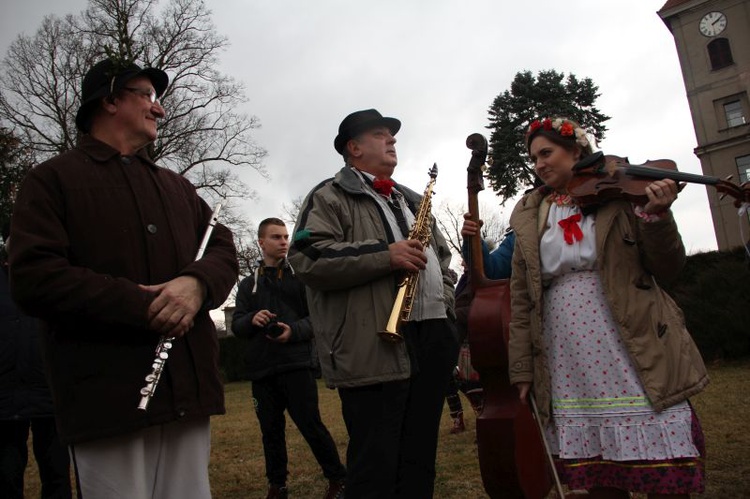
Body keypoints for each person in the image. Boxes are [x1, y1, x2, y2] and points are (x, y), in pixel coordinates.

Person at [8, 58, 238, 499]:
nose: (159, 110)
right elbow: (35, 277)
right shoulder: (50, 181)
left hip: (187, 390)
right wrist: (142, 304)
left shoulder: (178, 188)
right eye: (147, 97)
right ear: (110, 100)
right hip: (105, 398)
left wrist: (196, 284)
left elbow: (223, 250)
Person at [508, 117, 708, 498]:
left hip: (628, 335)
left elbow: (669, 267)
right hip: (567, 349)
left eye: (546, 153)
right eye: (533, 158)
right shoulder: (532, 213)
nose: (539, 165)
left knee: (663, 471)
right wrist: (522, 367)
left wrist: (658, 218)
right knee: (599, 477)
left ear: (577, 151)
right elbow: (522, 298)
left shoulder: (620, 194)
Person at [288, 109, 459, 498]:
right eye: (381, 134)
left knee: (420, 457)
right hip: (373, 348)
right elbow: (308, 256)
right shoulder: (328, 195)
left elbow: (443, 259)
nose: (392, 140)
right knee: (375, 463)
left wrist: (445, 302)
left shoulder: (412, 198)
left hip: (431, 334)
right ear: (354, 148)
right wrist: (386, 255)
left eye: (393, 135)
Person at [231, 218, 346, 499]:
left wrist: (292, 331)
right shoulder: (248, 286)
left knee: (311, 426)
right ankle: (277, 486)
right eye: (276, 237)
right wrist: (251, 319)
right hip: (262, 371)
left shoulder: (300, 278)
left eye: (285, 237)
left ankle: (339, 481)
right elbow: (236, 325)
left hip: (296, 365)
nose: (284, 242)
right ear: (261, 242)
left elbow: (317, 319)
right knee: (270, 432)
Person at [1, 224, 71, 499]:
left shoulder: (54, 282)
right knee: (6, 474)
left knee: (56, 475)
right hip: (5, 399)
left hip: (50, 394)